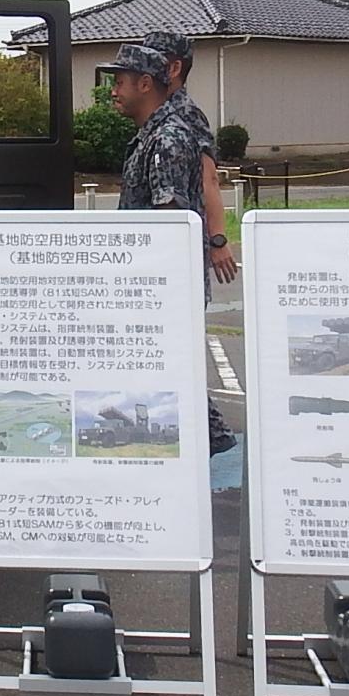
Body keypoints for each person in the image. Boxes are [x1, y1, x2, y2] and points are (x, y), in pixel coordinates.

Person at [110, 31, 239, 454]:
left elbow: (175, 213)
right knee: (164, 359)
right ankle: (208, 433)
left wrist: (216, 240)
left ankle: (210, 434)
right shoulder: (155, 129)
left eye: (121, 80)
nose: (114, 89)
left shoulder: (173, 131)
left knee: (165, 356)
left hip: (158, 278)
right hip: (152, 277)